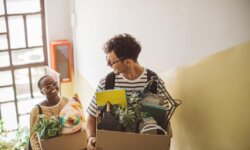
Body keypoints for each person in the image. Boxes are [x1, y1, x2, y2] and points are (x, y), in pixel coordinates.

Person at [86, 33, 170, 150]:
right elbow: (91, 117)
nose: (108, 65)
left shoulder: (154, 82)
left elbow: (165, 121)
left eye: (111, 62)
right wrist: (90, 138)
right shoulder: (107, 82)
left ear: (128, 62)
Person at [29, 75, 69, 150]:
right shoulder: (36, 111)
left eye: (54, 83)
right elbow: (33, 137)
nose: (53, 87)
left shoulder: (67, 101)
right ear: (42, 92)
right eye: (48, 87)